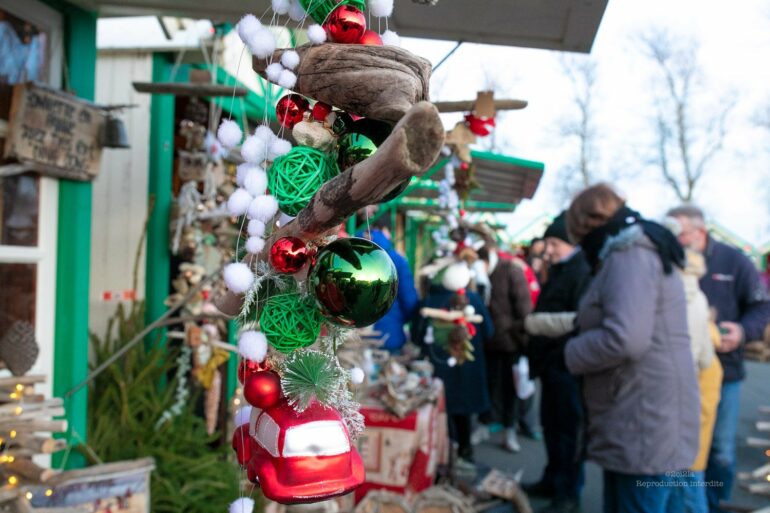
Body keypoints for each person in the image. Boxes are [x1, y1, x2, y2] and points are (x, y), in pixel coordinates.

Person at [564, 184, 699, 513]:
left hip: (641, 415)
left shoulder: (629, 255)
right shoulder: (637, 248)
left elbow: (626, 338)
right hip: (649, 411)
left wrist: (571, 351)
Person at [667, 205, 770, 513]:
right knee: (683, 454)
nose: (675, 238)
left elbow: (762, 307)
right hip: (678, 374)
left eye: (680, 232)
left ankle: (717, 504)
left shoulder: (735, 261)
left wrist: (742, 330)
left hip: (725, 371)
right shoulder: (669, 260)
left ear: (699, 232)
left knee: (720, 450)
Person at [522, 212, 591, 513]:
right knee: (552, 426)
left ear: (570, 243)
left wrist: (536, 325)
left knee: (568, 432)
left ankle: (568, 493)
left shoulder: (582, 272)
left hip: (568, 367)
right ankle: (552, 480)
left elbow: (579, 320)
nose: (547, 250)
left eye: (553, 243)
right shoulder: (562, 269)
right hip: (552, 365)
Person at [411, 266, 493, 464]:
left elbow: (416, 336)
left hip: (440, 369)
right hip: (468, 367)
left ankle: (445, 458)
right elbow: (489, 331)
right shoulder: (472, 298)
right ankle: (465, 451)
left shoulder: (429, 300)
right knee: (464, 413)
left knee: (442, 415)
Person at [472, 245, 533, 452]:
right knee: (486, 386)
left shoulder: (511, 271)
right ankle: (483, 424)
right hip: (487, 342)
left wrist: (524, 338)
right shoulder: (478, 277)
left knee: (510, 389)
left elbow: (524, 308)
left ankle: (510, 430)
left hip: (511, 342)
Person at [364, 217, 420, 353]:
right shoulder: (397, 260)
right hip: (389, 334)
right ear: (385, 230)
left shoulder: (353, 253)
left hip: (355, 338)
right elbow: (409, 301)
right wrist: (403, 320)